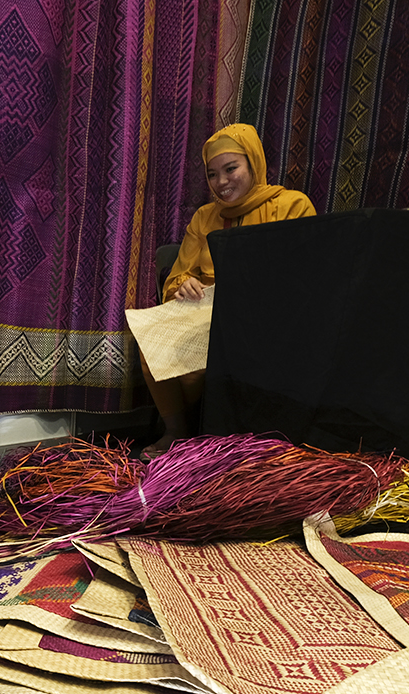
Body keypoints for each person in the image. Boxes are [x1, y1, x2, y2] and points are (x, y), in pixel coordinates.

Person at [142, 123, 315, 456]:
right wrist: (184, 284)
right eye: (212, 174)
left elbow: (303, 277)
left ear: (254, 163)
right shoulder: (204, 217)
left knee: (195, 369)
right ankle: (176, 431)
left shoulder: (291, 206)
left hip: (268, 318)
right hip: (206, 313)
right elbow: (179, 276)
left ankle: (210, 436)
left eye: (231, 169)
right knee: (151, 343)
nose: (221, 182)